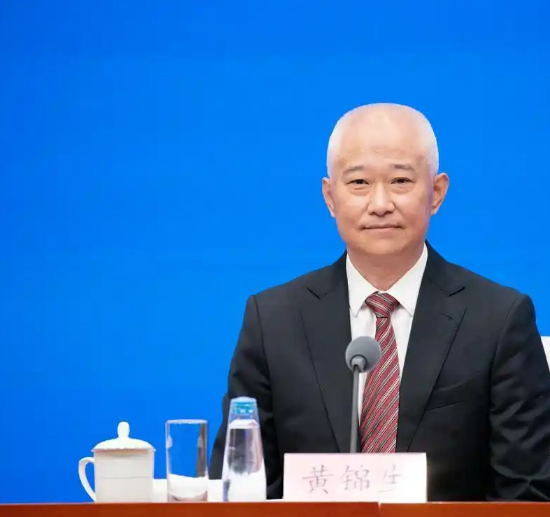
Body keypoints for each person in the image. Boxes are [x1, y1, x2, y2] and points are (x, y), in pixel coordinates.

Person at [209, 103, 550, 501]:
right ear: (330, 196)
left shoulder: (498, 319)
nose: (381, 203)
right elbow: (239, 485)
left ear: (437, 193)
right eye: (359, 183)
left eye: (401, 181)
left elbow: (526, 493)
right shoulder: (273, 321)